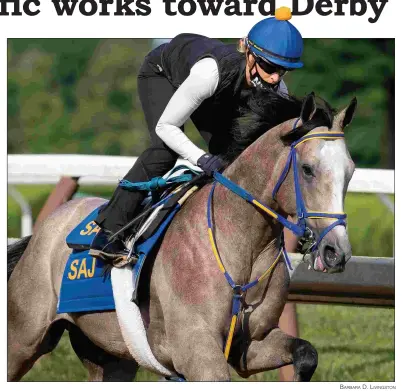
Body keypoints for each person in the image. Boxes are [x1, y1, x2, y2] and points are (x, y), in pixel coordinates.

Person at [90, 6, 304, 261]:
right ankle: (110, 230)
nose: (274, 78)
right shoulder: (209, 74)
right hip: (162, 74)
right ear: (249, 53)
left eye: (282, 70)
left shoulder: (277, 86)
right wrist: (201, 159)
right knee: (164, 150)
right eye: (269, 67)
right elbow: (165, 127)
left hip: (211, 93)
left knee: (232, 155)